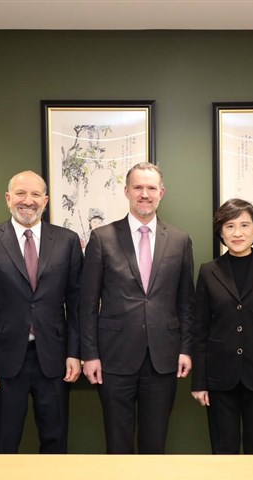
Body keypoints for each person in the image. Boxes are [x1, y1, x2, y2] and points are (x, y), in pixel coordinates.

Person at [0, 170, 82, 454]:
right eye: (20, 193)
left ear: (46, 200)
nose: (27, 201)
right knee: (4, 442)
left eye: (35, 194)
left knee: (55, 441)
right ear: (8, 199)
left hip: (53, 360)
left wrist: (74, 353)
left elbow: (77, 304)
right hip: (1, 362)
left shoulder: (67, 241)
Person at [81, 162, 195, 454]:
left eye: (151, 188)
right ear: (127, 191)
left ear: (161, 193)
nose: (145, 194)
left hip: (163, 357)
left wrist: (185, 348)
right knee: (117, 442)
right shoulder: (102, 237)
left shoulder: (180, 240)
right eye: (138, 187)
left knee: (154, 442)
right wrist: (90, 355)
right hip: (113, 356)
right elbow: (88, 303)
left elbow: (186, 302)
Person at [191, 199, 253, 454]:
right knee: (223, 450)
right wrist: (199, 382)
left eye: (245, 225)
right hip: (219, 377)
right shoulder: (208, 272)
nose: (238, 233)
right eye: (230, 226)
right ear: (221, 232)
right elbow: (199, 330)